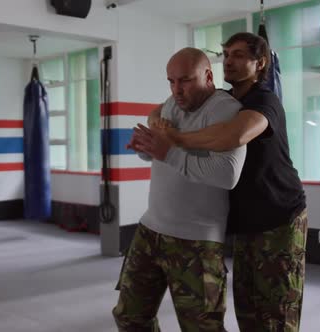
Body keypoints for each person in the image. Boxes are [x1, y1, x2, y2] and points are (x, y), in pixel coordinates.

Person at [134, 32, 308, 332]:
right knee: (248, 308)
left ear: (261, 63)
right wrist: (156, 122)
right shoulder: (225, 99)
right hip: (245, 221)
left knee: (276, 309)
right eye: (226, 54)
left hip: (278, 216)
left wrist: (171, 140)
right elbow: (158, 112)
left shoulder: (263, 99)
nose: (230, 61)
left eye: (240, 55)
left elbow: (233, 136)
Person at [112, 47, 246, 332]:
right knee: (129, 317)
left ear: (208, 76)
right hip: (150, 230)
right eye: (171, 82)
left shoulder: (225, 109)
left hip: (196, 240)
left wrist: (169, 153)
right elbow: (161, 154)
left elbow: (227, 174)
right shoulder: (172, 104)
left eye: (185, 80)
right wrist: (145, 148)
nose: (177, 90)